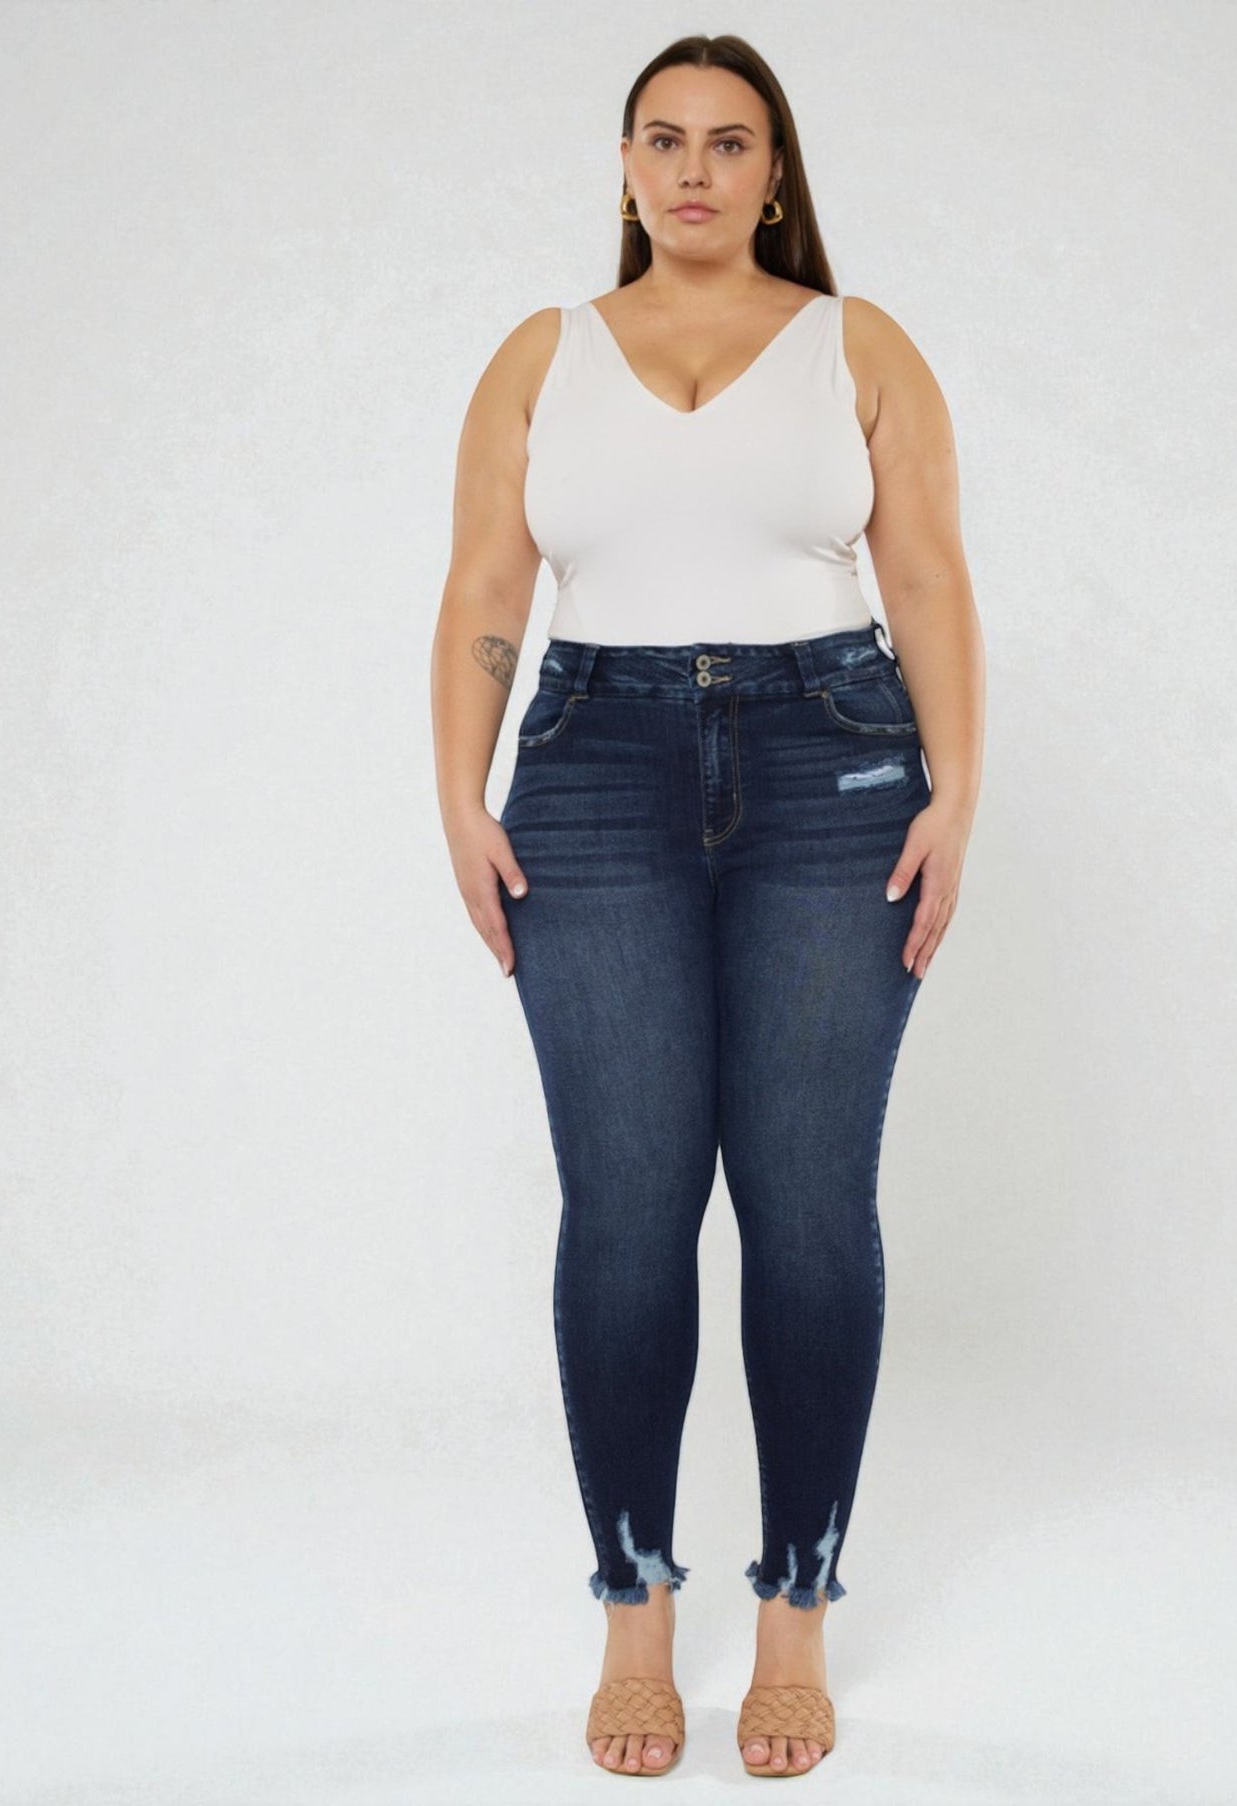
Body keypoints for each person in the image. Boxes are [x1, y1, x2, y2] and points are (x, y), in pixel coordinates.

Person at [430, 31, 984, 1782]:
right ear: (620, 165)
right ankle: (636, 1607)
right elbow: (483, 582)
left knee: (808, 1207)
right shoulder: (543, 357)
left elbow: (924, 570)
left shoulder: (855, 344)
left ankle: (799, 1603)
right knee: (627, 1207)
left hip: (833, 765)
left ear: (771, 171)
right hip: (592, 771)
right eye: (661, 141)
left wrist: (959, 789)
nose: (692, 171)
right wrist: (458, 789)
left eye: (727, 144)